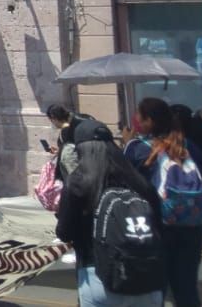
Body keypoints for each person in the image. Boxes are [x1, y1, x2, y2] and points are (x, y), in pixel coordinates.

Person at [58, 121, 166, 307]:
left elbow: (64, 232)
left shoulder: (78, 183)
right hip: (148, 279)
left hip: (99, 276)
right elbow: (158, 223)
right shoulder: (139, 182)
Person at [122, 98, 202, 307]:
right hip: (192, 228)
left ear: (148, 120)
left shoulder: (137, 148)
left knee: (154, 292)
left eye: (140, 117)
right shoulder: (189, 146)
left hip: (157, 229)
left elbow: (123, 184)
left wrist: (126, 143)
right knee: (187, 291)